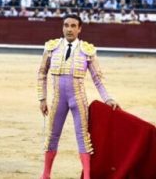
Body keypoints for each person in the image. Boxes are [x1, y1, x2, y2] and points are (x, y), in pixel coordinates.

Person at [37, 14, 119, 179]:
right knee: (52, 135)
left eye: (73, 26)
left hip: (78, 99)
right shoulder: (52, 47)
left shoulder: (87, 50)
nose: (69, 29)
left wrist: (107, 98)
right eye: (66, 25)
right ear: (62, 27)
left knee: (83, 137)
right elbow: (42, 73)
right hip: (58, 99)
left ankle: (87, 176)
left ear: (79, 29)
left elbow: (97, 79)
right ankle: (46, 174)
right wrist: (42, 98)